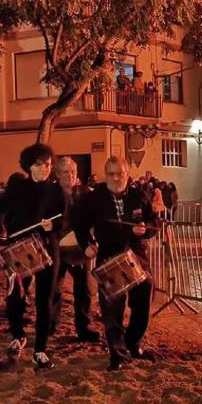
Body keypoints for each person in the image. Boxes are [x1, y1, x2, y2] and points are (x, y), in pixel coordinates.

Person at [72, 156, 157, 371]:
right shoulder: (95, 198)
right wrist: (87, 244)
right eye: (111, 174)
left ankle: (133, 343)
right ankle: (117, 354)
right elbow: (79, 224)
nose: (116, 178)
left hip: (137, 256)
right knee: (112, 309)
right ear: (105, 174)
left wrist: (146, 228)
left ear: (127, 173)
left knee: (143, 300)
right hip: (109, 256)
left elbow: (154, 222)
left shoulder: (139, 194)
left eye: (120, 173)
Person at [0, 143, 64, 369]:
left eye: (47, 165)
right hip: (21, 248)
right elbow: (0, 212)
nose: (44, 169)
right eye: (39, 165)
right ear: (29, 166)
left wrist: (52, 226)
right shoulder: (17, 188)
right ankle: (18, 335)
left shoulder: (56, 190)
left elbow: (65, 219)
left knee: (44, 299)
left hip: (47, 248)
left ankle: (41, 350)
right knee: (16, 295)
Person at [50, 156, 99, 343]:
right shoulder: (51, 194)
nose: (70, 175)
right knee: (54, 289)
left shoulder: (85, 193)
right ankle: (50, 325)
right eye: (65, 172)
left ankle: (83, 328)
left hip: (79, 249)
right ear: (57, 174)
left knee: (84, 290)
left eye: (73, 172)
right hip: (55, 248)